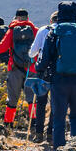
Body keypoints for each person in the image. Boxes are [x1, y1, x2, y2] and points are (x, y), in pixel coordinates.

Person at [37, 1, 76, 150]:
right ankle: (75, 150)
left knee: (59, 119)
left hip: (59, 81)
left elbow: (43, 60)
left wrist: (40, 69)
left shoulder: (54, 32)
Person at [0, 9, 37, 129]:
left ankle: (8, 123)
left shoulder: (12, 30)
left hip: (15, 68)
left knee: (12, 97)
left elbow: (2, 48)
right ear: (27, 18)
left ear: (16, 17)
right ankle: (34, 123)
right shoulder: (34, 30)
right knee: (32, 98)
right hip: (31, 68)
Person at [26, 11, 58, 142]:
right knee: (56, 104)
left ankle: (38, 134)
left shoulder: (43, 30)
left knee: (40, 102)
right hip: (59, 72)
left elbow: (32, 53)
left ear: (51, 20)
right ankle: (51, 133)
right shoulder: (65, 31)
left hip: (43, 72)